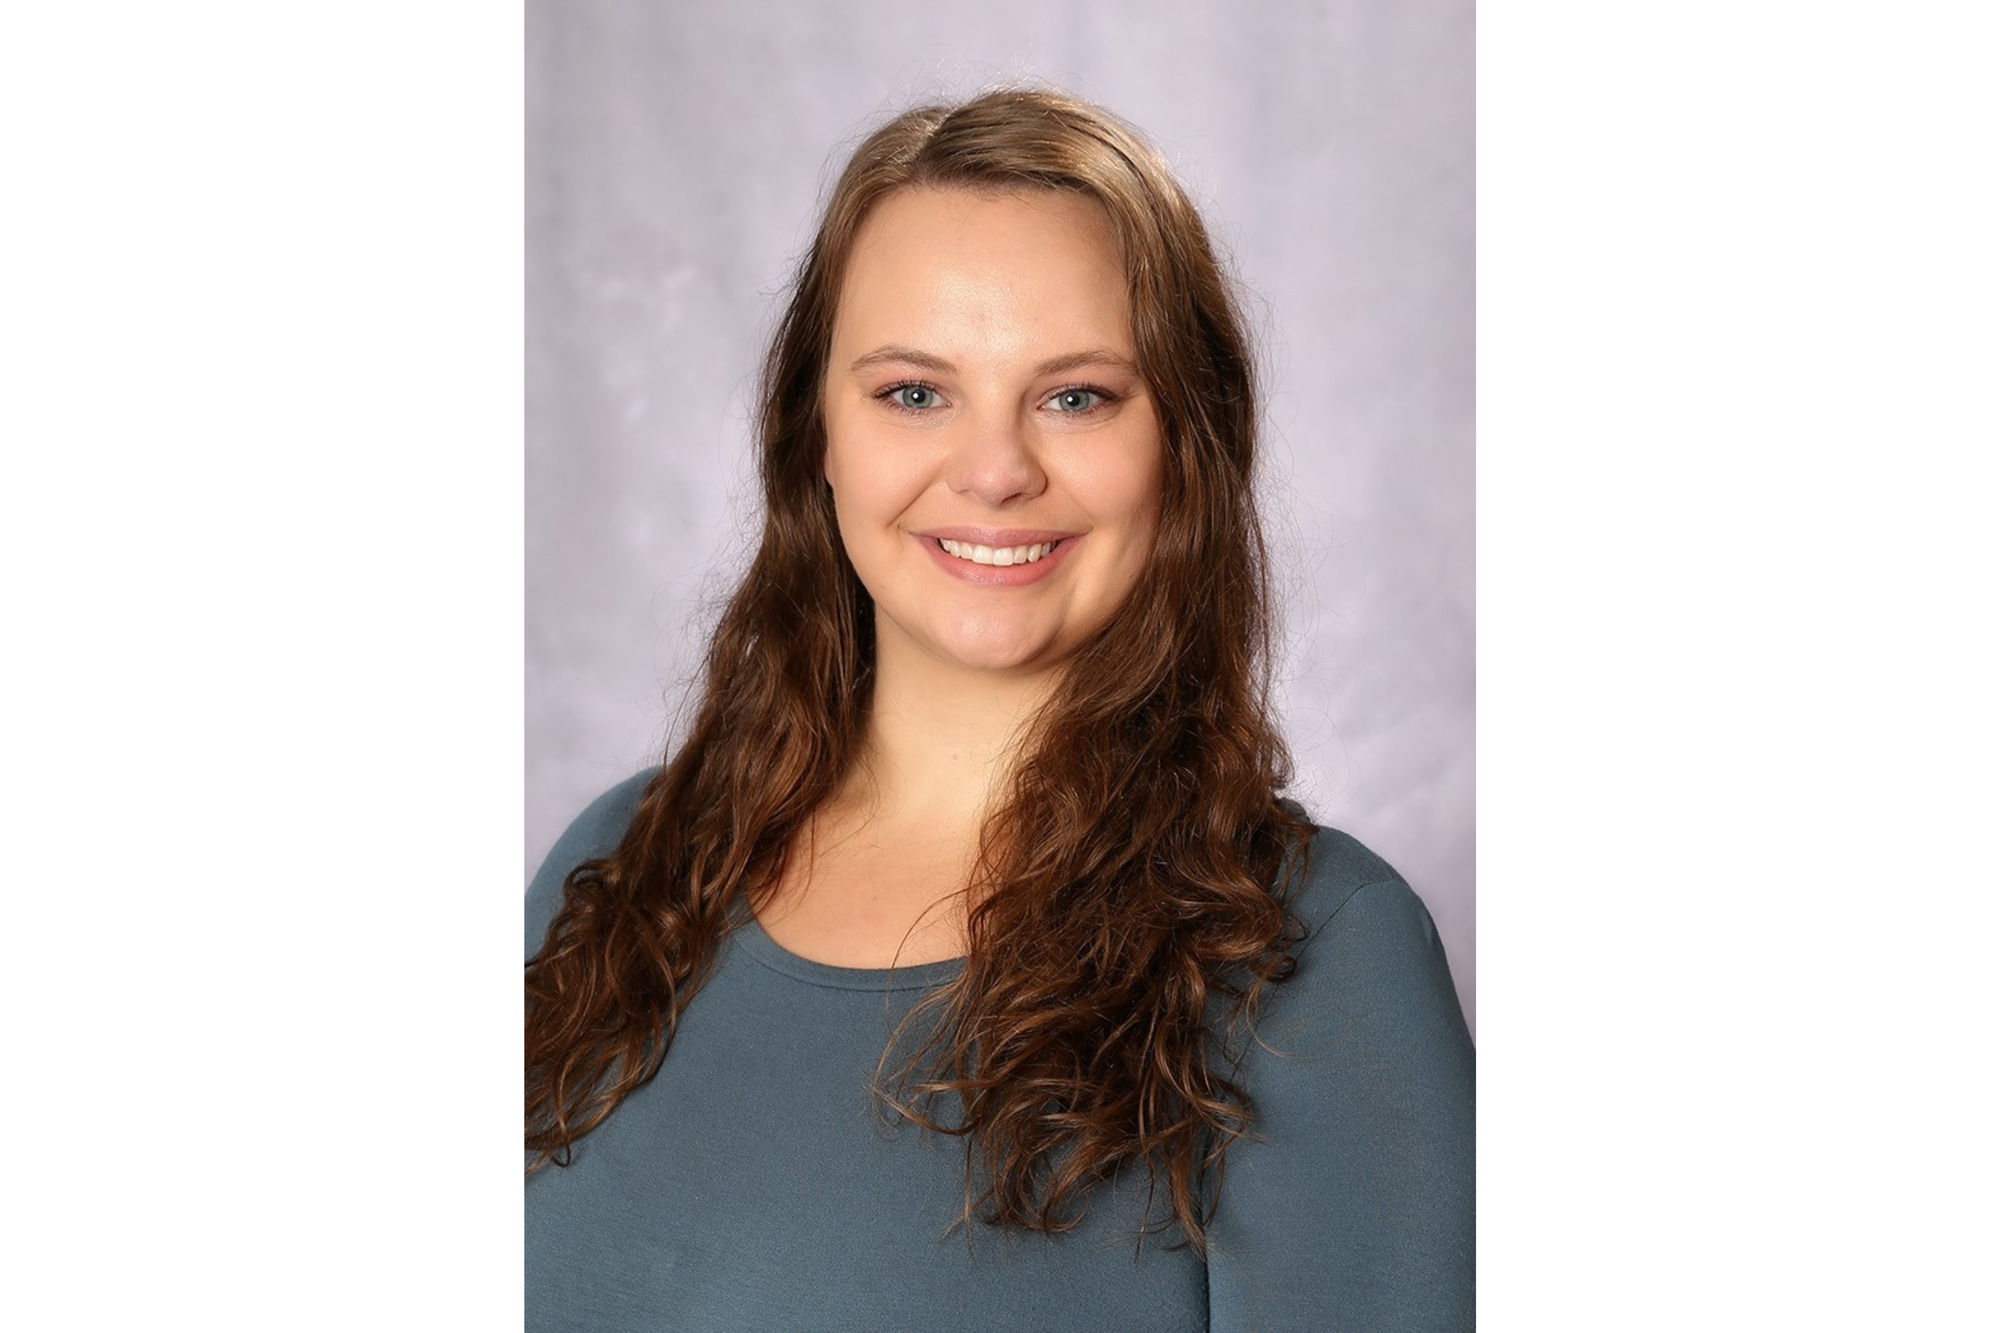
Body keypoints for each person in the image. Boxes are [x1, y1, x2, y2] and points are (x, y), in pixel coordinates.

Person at [525, 87, 1473, 1331]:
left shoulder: (1311, 962)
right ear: (816, 430)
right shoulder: (624, 866)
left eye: (1075, 395)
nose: (993, 469)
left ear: (1184, 442)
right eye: (913, 391)